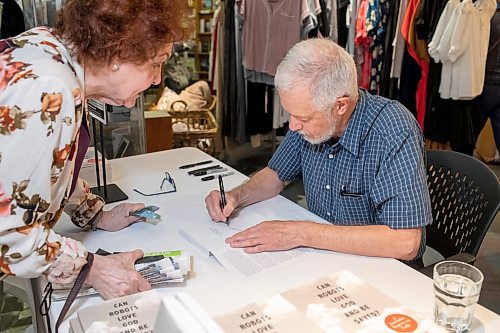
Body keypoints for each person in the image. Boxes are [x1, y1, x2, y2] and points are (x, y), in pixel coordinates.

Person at [0, 0, 189, 299]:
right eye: (156, 63)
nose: (157, 78)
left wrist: (95, 215)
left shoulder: (58, 59)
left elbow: (44, 169)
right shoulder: (48, 88)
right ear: (117, 53)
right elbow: (6, 232)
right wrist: (92, 268)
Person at [205, 39, 432, 265]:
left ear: (340, 105)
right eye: (291, 115)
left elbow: (406, 242)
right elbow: (275, 176)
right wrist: (236, 196)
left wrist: (301, 233)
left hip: (381, 269)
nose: (292, 126)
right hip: (324, 258)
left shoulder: (393, 129)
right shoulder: (311, 118)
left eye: (303, 118)